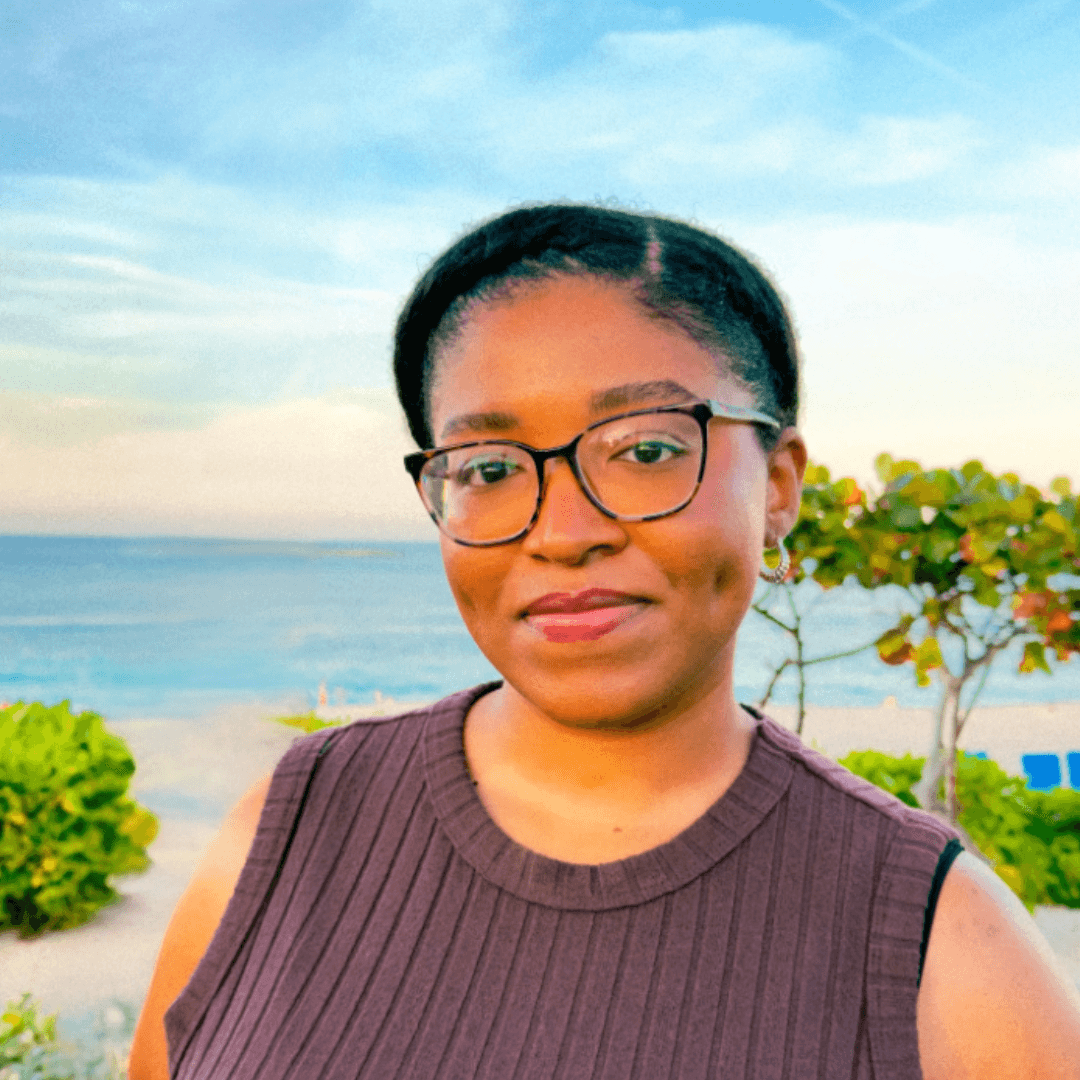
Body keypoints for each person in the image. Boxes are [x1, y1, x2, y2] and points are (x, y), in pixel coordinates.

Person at [129, 205, 1080, 1079]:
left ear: (780, 485)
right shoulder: (292, 825)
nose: (563, 529)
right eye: (491, 467)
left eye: (647, 449)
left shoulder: (937, 941)